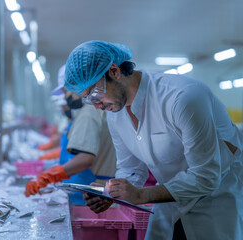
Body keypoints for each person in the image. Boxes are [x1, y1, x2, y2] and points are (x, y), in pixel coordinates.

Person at [63, 40, 243, 239]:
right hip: (169, 196)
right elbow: (130, 169)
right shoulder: (116, 114)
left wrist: (141, 195)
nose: (96, 106)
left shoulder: (182, 98)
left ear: (114, 71)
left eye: (95, 93)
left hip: (215, 199)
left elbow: (206, 176)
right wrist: (114, 194)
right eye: (88, 99)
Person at [25, 64, 117, 205]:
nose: (67, 96)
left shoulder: (89, 111)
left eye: (66, 91)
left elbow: (86, 157)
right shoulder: (91, 110)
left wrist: (48, 176)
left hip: (91, 193)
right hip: (92, 190)